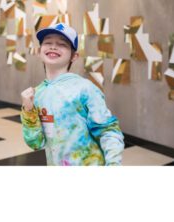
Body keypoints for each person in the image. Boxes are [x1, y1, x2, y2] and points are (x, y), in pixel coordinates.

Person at [20, 23, 124, 166]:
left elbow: (108, 131)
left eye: (62, 44)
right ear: (39, 51)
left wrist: (113, 165)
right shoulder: (37, 94)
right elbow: (36, 143)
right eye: (48, 42)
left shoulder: (84, 88)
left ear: (74, 56)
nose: (53, 47)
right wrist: (28, 110)